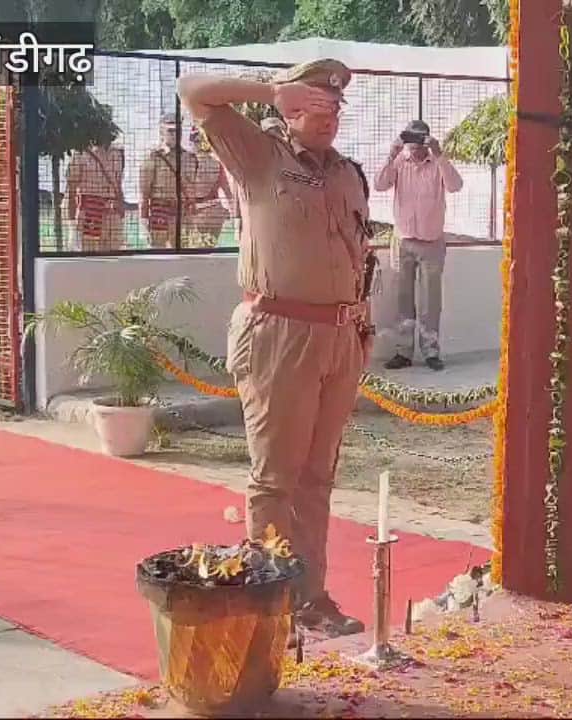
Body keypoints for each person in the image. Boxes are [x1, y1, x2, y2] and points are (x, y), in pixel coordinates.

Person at [177, 58, 375, 640]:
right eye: (315, 102)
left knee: (318, 477)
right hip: (280, 334)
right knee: (276, 479)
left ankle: (310, 597)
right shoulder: (260, 155)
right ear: (288, 108)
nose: (327, 114)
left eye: (334, 104)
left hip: (341, 336)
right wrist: (271, 89)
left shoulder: (346, 173)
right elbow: (195, 91)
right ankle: (268, 607)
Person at [374, 120, 463, 371]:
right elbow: (380, 185)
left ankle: (431, 351)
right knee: (403, 300)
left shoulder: (437, 164)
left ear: (426, 141)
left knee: (430, 302)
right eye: (409, 142)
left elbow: (456, 186)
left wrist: (440, 155)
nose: (412, 148)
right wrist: (391, 155)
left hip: (432, 242)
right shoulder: (400, 163)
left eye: (417, 142)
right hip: (404, 241)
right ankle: (403, 352)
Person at [139, 113, 195, 249]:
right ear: (162, 132)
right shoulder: (153, 158)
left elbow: (192, 187)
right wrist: (143, 219)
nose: (175, 135)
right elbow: (144, 192)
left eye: (178, 131)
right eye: (170, 131)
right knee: (158, 256)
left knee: (184, 255)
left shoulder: (189, 158)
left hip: (182, 213)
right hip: (160, 211)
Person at [64, 134, 126, 252]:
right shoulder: (81, 153)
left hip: (113, 216)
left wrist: (122, 216)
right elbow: (71, 191)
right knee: (90, 258)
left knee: (116, 259)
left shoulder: (118, 153)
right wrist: (72, 227)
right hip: (90, 214)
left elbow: (118, 186)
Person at [184, 126, 233, 248]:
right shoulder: (217, 162)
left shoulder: (186, 163)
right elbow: (226, 189)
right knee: (208, 249)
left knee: (193, 251)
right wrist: (234, 212)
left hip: (194, 211)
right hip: (214, 211)